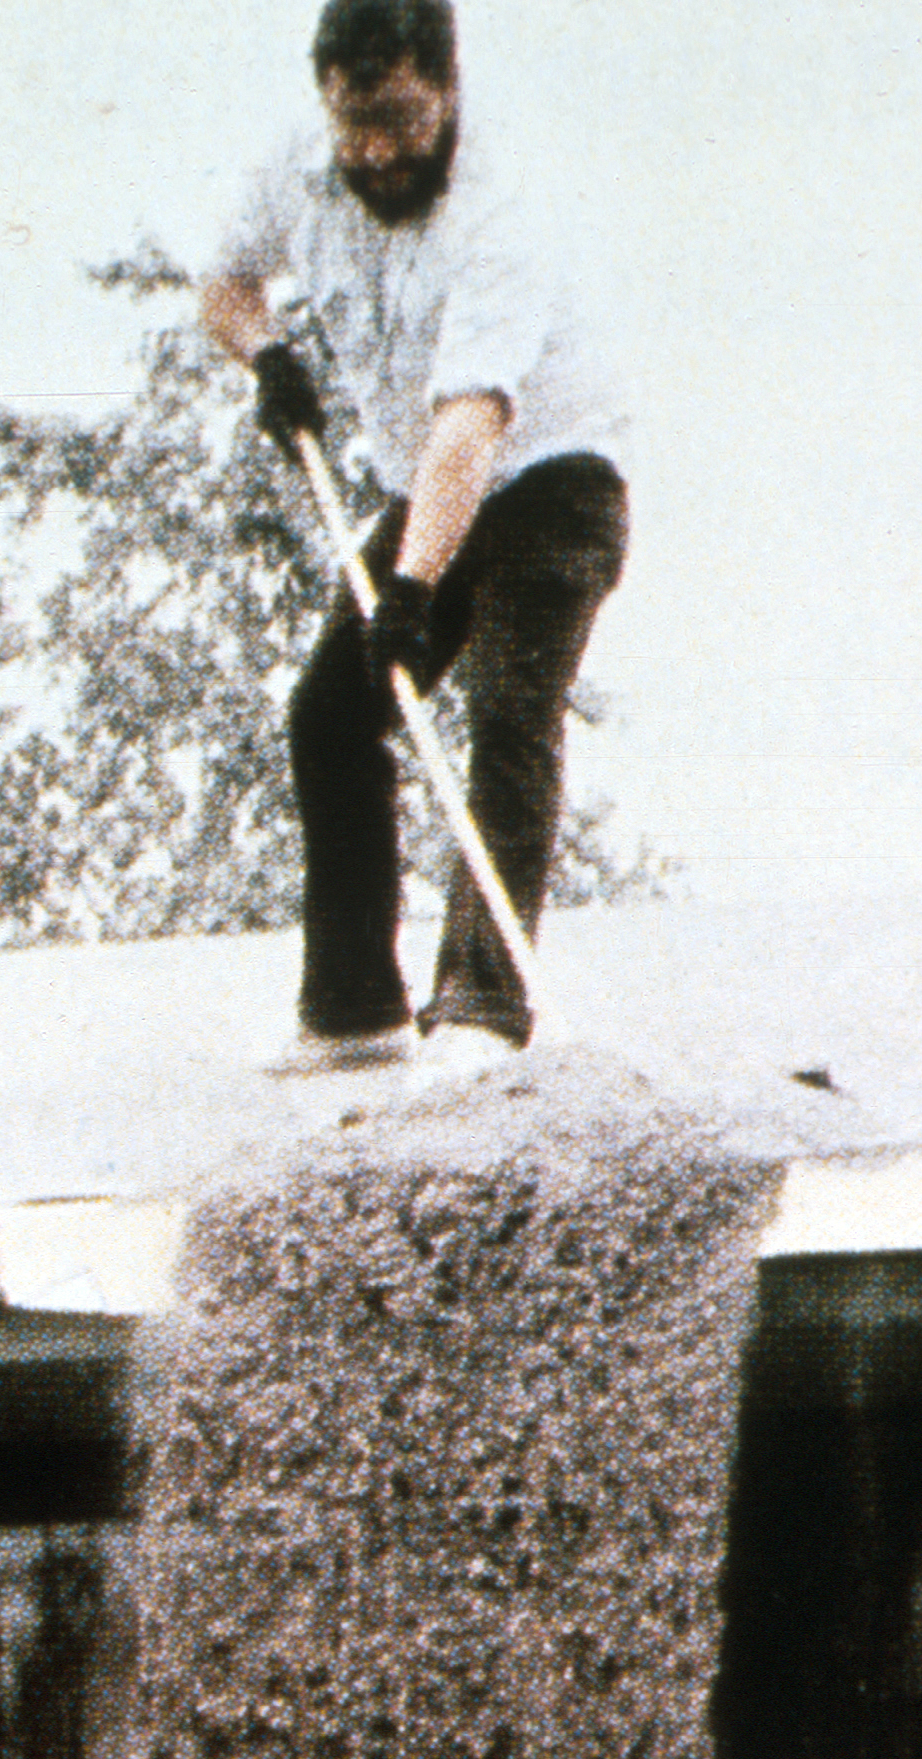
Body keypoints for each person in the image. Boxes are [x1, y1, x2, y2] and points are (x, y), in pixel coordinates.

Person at [201, 0, 629, 1064]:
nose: (375, 153)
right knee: (330, 712)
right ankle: (355, 1013)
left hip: (550, 478)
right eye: (354, 126)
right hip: (432, 482)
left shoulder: (499, 206)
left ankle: (484, 1007)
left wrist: (412, 589)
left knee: (505, 710)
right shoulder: (301, 166)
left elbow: (470, 422)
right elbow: (221, 284)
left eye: (399, 121)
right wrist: (266, 358)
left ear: (445, 88)